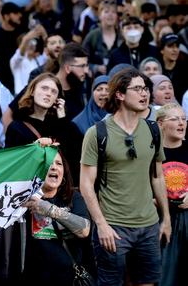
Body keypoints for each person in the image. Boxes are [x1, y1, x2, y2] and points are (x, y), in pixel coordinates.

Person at [80, 68, 171, 286]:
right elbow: (85, 183)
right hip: (113, 226)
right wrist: (101, 225)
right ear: (120, 94)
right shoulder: (97, 133)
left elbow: (157, 177)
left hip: (148, 225)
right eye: (138, 89)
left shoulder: (153, 130)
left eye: (146, 89)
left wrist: (165, 218)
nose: (145, 94)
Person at [21, 151, 91, 285]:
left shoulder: (73, 197)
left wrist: (48, 208)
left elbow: (84, 230)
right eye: (48, 163)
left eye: (59, 164)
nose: (54, 167)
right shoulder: (22, 200)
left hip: (69, 279)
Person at [155, 103, 188, 286]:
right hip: (161, 220)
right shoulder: (152, 153)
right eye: (175, 119)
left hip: (187, 217)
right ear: (160, 124)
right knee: (166, 276)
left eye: (184, 118)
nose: (181, 123)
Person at [0, 2, 25, 93]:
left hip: (20, 80)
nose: (19, 16)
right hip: (0, 83)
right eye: (15, 13)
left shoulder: (22, 35)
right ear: (6, 16)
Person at [82, 0, 120, 76]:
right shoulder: (93, 35)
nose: (110, 15)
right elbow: (82, 60)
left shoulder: (122, 37)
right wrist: (95, 68)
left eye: (113, 12)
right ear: (99, 15)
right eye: (106, 12)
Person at [10, 23, 47, 93]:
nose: (31, 45)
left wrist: (44, 35)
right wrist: (26, 38)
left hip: (35, 95)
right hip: (20, 96)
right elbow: (20, 53)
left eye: (33, 42)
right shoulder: (16, 61)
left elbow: (47, 52)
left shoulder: (38, 60)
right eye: (28, 42)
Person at [158, 33, 188, 100]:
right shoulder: (156, 69)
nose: (175, 50)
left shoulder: (185, 69)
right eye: (170, 46)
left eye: (177, 46)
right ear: (162, 50)